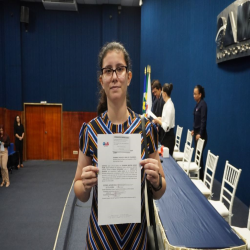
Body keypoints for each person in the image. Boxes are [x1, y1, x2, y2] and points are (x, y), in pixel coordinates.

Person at [74, 42, 166, 249]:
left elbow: (160, 190)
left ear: (129, 76)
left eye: (120, 69)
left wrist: (156, 180)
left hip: (136, 241)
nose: (114, 76)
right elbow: (78, 189)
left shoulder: (146, 129)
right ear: (101, 80)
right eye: (108, 71)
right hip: (100, 240)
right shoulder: (91, 131)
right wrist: (86, 184)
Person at [153, 83, 175, 156]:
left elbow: (166, 127)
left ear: (164, 94)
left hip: (168, 137)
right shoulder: (166, 104)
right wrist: (160, 118)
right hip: (165, 136)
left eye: (162, 92)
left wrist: (158, 121)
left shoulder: (169, 106)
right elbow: (165, 119)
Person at [191, 85, 207, 180]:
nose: (194, 95)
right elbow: (196, 120)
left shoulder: (203, 105)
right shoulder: (197, 104)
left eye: (195, 94)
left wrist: (200, 133)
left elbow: (203, 120)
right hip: (196, 133)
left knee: (199, 157)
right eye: (193, 93)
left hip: (201, 135)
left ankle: (201, 179)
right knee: (198, 157)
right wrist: (194, 130)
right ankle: (199, 177)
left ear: (200, 94)